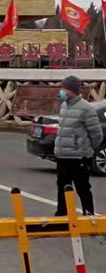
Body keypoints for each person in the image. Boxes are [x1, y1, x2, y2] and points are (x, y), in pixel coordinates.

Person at [54, 76, 103, 216]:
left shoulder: (86, 108)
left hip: (79, 157)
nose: (61, 91)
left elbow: (96, 134)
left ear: (72, 90)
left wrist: (86, 149)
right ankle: (62, 216)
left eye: (64, 88)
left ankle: (89, 216)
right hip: (62, 156)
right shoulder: (64, 106)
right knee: (62, 187)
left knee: (82, 187)